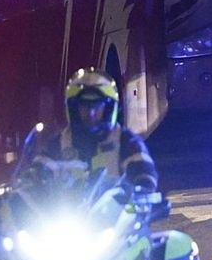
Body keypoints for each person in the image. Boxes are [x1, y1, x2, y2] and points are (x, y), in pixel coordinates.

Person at [15, 70, 157, 191]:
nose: (91, 113)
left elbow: (144, 171)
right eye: (84, 106)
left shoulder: (125, 141)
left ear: (108, 108)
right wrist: (22, 189)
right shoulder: (59, 143)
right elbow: (38, 169)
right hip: (67, 219)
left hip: (116, 220)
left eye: (97, 106)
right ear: (73, 109)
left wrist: (143, 191)